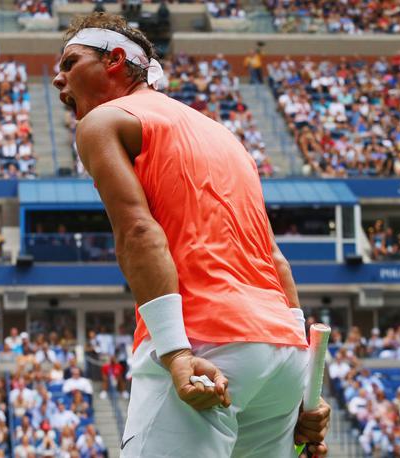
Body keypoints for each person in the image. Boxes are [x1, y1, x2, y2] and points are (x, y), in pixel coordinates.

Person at [52, 12, 330, 457]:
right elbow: (274, 259)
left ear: (115, 60)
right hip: (281, 352)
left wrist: (177, 353)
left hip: (204, 342)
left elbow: (139, 232)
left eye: (69, 63)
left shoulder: (102, 122)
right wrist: (302, 381)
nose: (58, 80)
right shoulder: (226, 137)